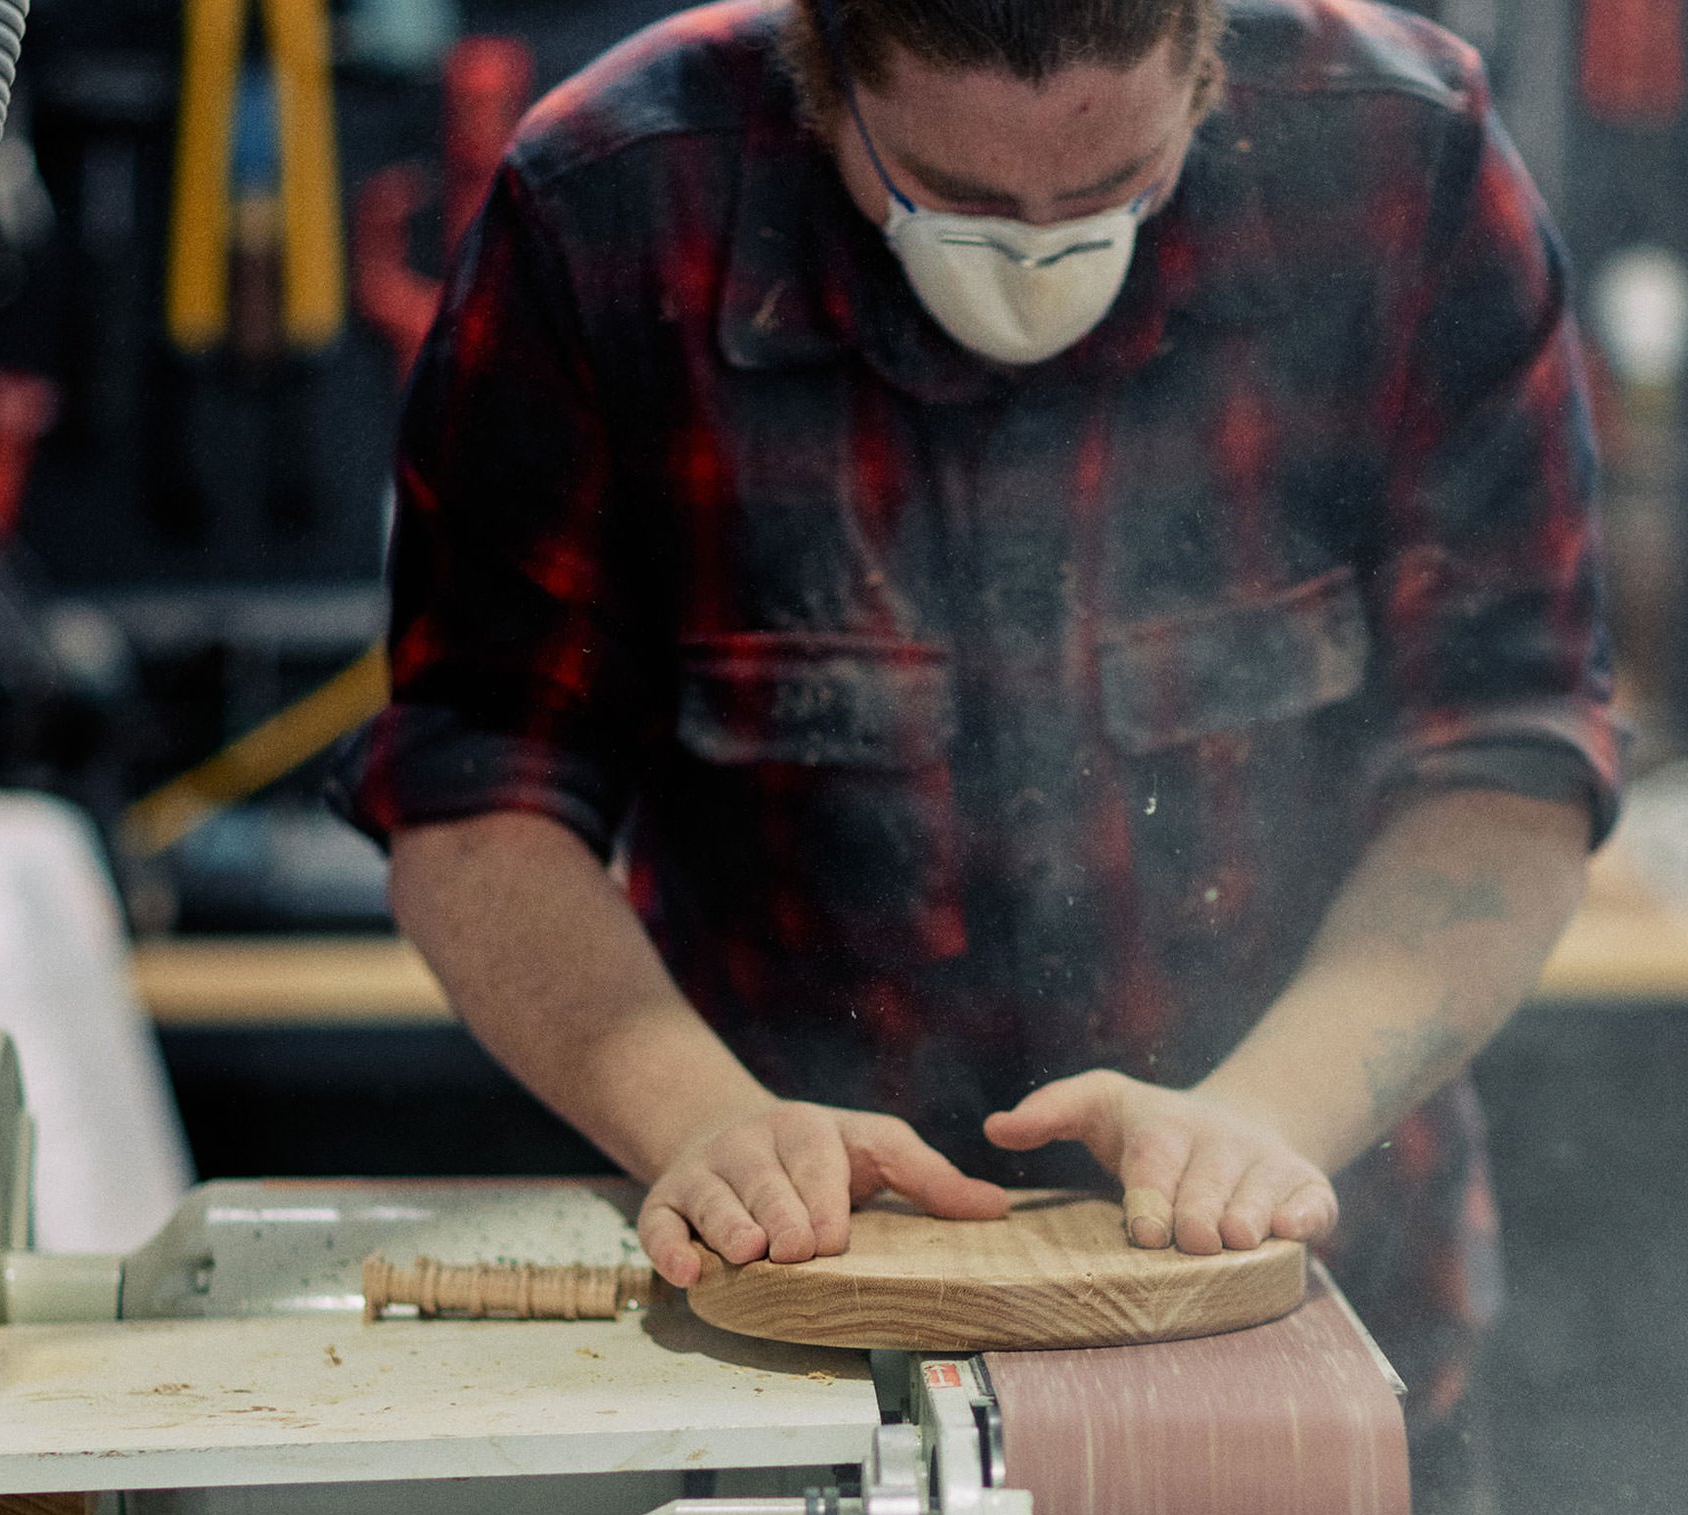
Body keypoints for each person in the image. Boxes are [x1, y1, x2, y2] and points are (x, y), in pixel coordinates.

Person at [344, 0, 1614, 1433]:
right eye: (953, 198)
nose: (1035, 253)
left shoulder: (1405, 160)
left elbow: (1510, 767)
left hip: (1321, 1370)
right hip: (787, 1363)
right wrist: (706, 1126)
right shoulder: (611, 204)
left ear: (1202, 58)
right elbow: (477, 801)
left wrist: (1267, 1122)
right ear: (823, 76)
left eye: (1107, 192)